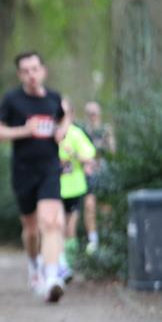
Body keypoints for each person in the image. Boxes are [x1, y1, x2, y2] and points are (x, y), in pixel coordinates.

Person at [0, 51, 70, 303]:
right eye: (25, 71)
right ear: (19, 75)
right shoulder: (12, 100)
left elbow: (65, 115)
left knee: (51, 222)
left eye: (35, 69)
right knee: (32, 230)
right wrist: (24, 130)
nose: (31, 75)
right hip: (23, 172)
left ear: (43, 70)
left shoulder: (54, 97)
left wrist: (62, 131)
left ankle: (52, 277)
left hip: (49, 169)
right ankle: (34, 264)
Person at [58, 99, 96, 283]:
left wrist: (73, 154)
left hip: (73, 189)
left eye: (65, 113)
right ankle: (56, 264)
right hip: (53, 190)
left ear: (71, 116)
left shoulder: (76, 134)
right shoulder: (51, 134)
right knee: (55, 228)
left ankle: (68, 266)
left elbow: (89, 157)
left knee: (70, 228)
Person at [81, 101, 116, 254]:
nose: (92, 116)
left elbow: (113, 151)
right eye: (89, 113)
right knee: (89, 206)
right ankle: (93, 240)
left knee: (106, 207)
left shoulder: (106, 130)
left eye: (94, 113)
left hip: (104, 172)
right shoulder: (83, 131)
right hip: (89, 173)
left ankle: (107, 238)